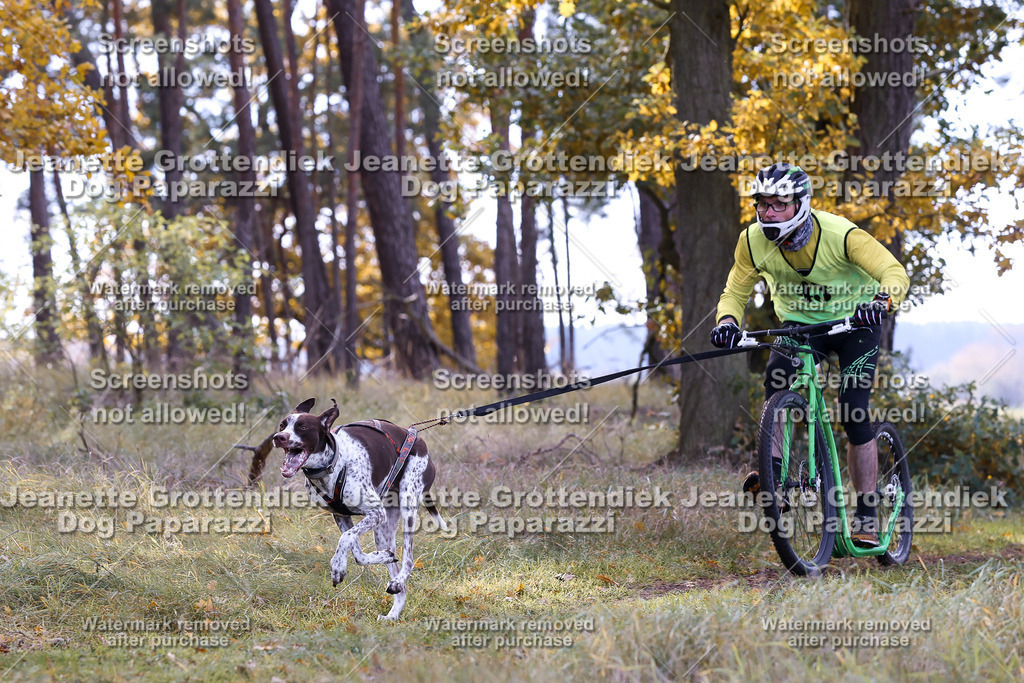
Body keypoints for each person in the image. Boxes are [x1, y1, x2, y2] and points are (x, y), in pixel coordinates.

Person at [710, 163, 910, 547]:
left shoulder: (840, 235)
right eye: (762, 204)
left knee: (853, 409)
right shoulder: (751, 241)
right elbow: (734, 291)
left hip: (855, 323)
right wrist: (728, 322)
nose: (768, 212)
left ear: (801, 203)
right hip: (800, 326)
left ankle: (867, 514)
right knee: (777, 386)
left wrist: (882, 301)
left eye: (778, 204)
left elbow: (893, 271)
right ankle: (773, 478)